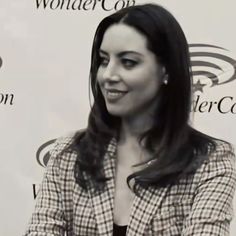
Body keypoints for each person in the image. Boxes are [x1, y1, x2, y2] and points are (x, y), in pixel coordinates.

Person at [24, 3, 236, 236]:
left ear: (166, 71)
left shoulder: (211, 161)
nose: (108, 75)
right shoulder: (69, 153)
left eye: (128, 62)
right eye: (104, 60)